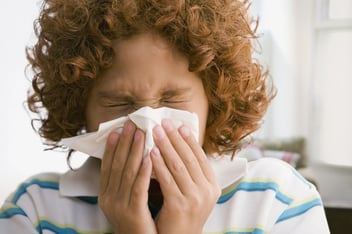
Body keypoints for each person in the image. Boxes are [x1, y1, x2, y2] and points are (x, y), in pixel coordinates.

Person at [0, 0, 330, 233]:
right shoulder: (34, 210)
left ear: (213, 99)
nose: (148, 123)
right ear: (80, 108)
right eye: (120, 103)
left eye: (171, 98)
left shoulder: (279, 200)